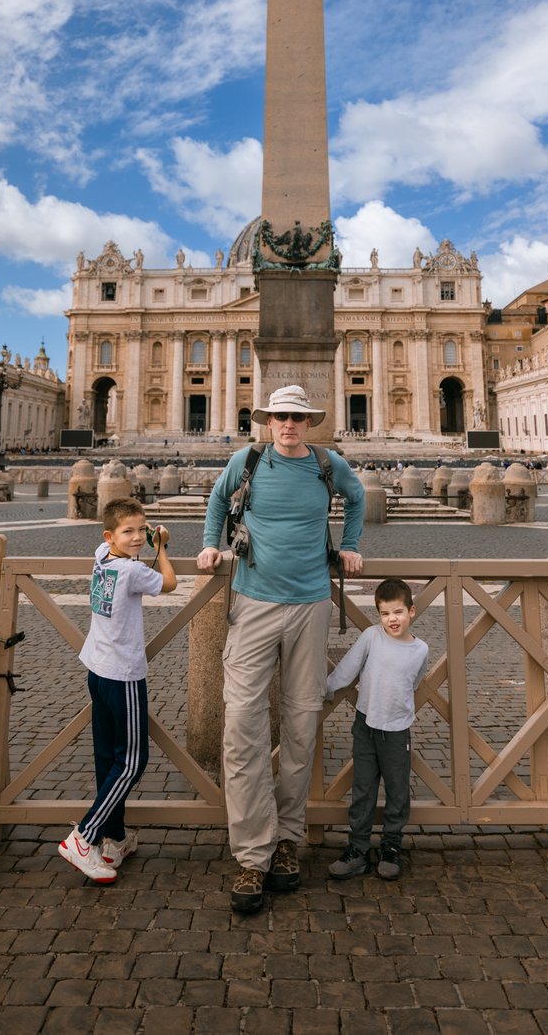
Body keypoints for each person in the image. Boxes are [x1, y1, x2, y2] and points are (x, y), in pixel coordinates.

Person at [197, 384, 365, 914]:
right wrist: (211, 542)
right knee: (242, 724)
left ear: (308, 422)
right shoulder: (246, 461)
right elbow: (218, 500)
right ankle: (253, 853)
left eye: (297, 417)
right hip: (252, 602)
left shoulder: (326, 463)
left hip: (312, 603)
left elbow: (357, 499)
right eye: (279, 417)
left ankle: (288, 840)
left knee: (301, 722)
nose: (288, 425)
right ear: (266, 420)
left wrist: (352, 545)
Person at [58, 500, 176, 884]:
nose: (138, 537)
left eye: (142, 530)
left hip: (96, 668)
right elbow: (169, 583)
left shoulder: (102, 557)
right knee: (132, 762)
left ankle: (115, 839)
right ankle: (84, 837)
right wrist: (161, 547)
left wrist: (134, 538)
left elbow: (118, 545)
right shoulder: (130, 570)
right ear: (111, 535)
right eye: (130, 531)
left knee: (108, 757)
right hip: (123, 675)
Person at [325, 578, 429, 882]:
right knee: (363, 790)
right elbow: (348, 668)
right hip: (366, 725)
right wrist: (327, 689)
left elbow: (415, 682)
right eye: (384, 614)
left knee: (397, 792)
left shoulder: (421, 649)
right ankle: (357, 850)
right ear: (378, 616)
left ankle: (391, 847)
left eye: (397, 612)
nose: (391, 620)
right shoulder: (371, 637)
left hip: (397, 731)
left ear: (411, 611)